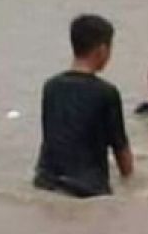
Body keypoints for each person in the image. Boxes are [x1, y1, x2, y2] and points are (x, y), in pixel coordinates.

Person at [34, 14, 134, 198]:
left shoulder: (51, 87)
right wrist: (131, 185)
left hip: (46, 182)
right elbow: (121, 149)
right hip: (88, 188)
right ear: (102, 50)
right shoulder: (106, 93)